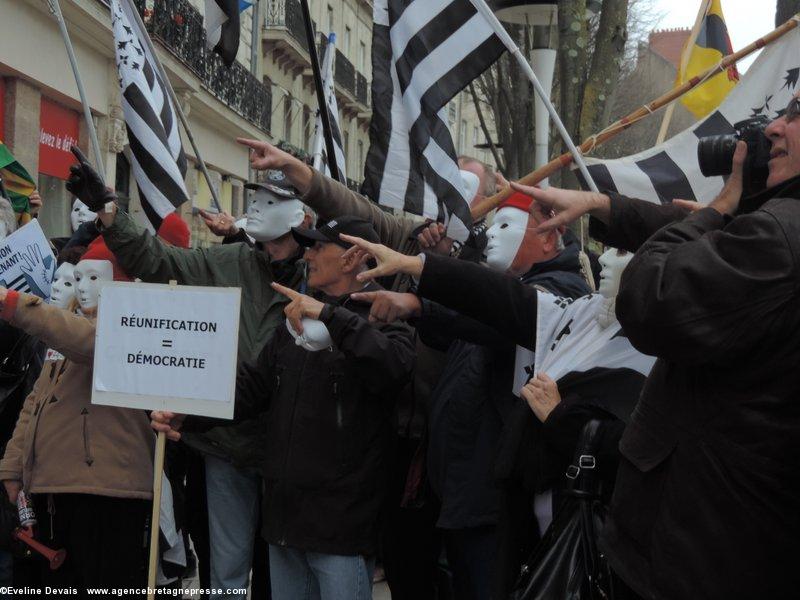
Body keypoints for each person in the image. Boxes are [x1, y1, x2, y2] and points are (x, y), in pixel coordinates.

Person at [489, 94, 800, 599]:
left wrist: (722, 209)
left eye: (797, 113)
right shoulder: (777, 235)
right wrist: (601, 204)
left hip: (706, 552)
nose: (773, 130)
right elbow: (708, 252)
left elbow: (650, 294)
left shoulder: (781, 238)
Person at [64, 145, 315, 600]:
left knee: (289, 570)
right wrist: (109, 212)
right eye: (255, 197)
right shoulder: (230, 262)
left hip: (292, 453)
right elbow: (159, 260)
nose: (256, 207)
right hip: (227, 445)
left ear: (304, 216)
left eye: (272, 199)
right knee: (228, 574)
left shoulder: (324, 274)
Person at [152, 216, 416, 600]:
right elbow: (251, 389)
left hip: (340, 527)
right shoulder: (294, 320)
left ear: (353, 258)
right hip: (285, 521)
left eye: (316, 246)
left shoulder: (384, 316)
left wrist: (331, 318)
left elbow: (393, 366)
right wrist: (186, 414)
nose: (306, 255)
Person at [0, 240, 152, 596]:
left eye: (94, 277)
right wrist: (11, 468)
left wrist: (11, 303)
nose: (82, 286)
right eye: (78, 276)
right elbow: (36, 402)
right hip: (55, 491)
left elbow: (89, 342)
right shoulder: (70, 328)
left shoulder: (133, 329)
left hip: (107, 495)